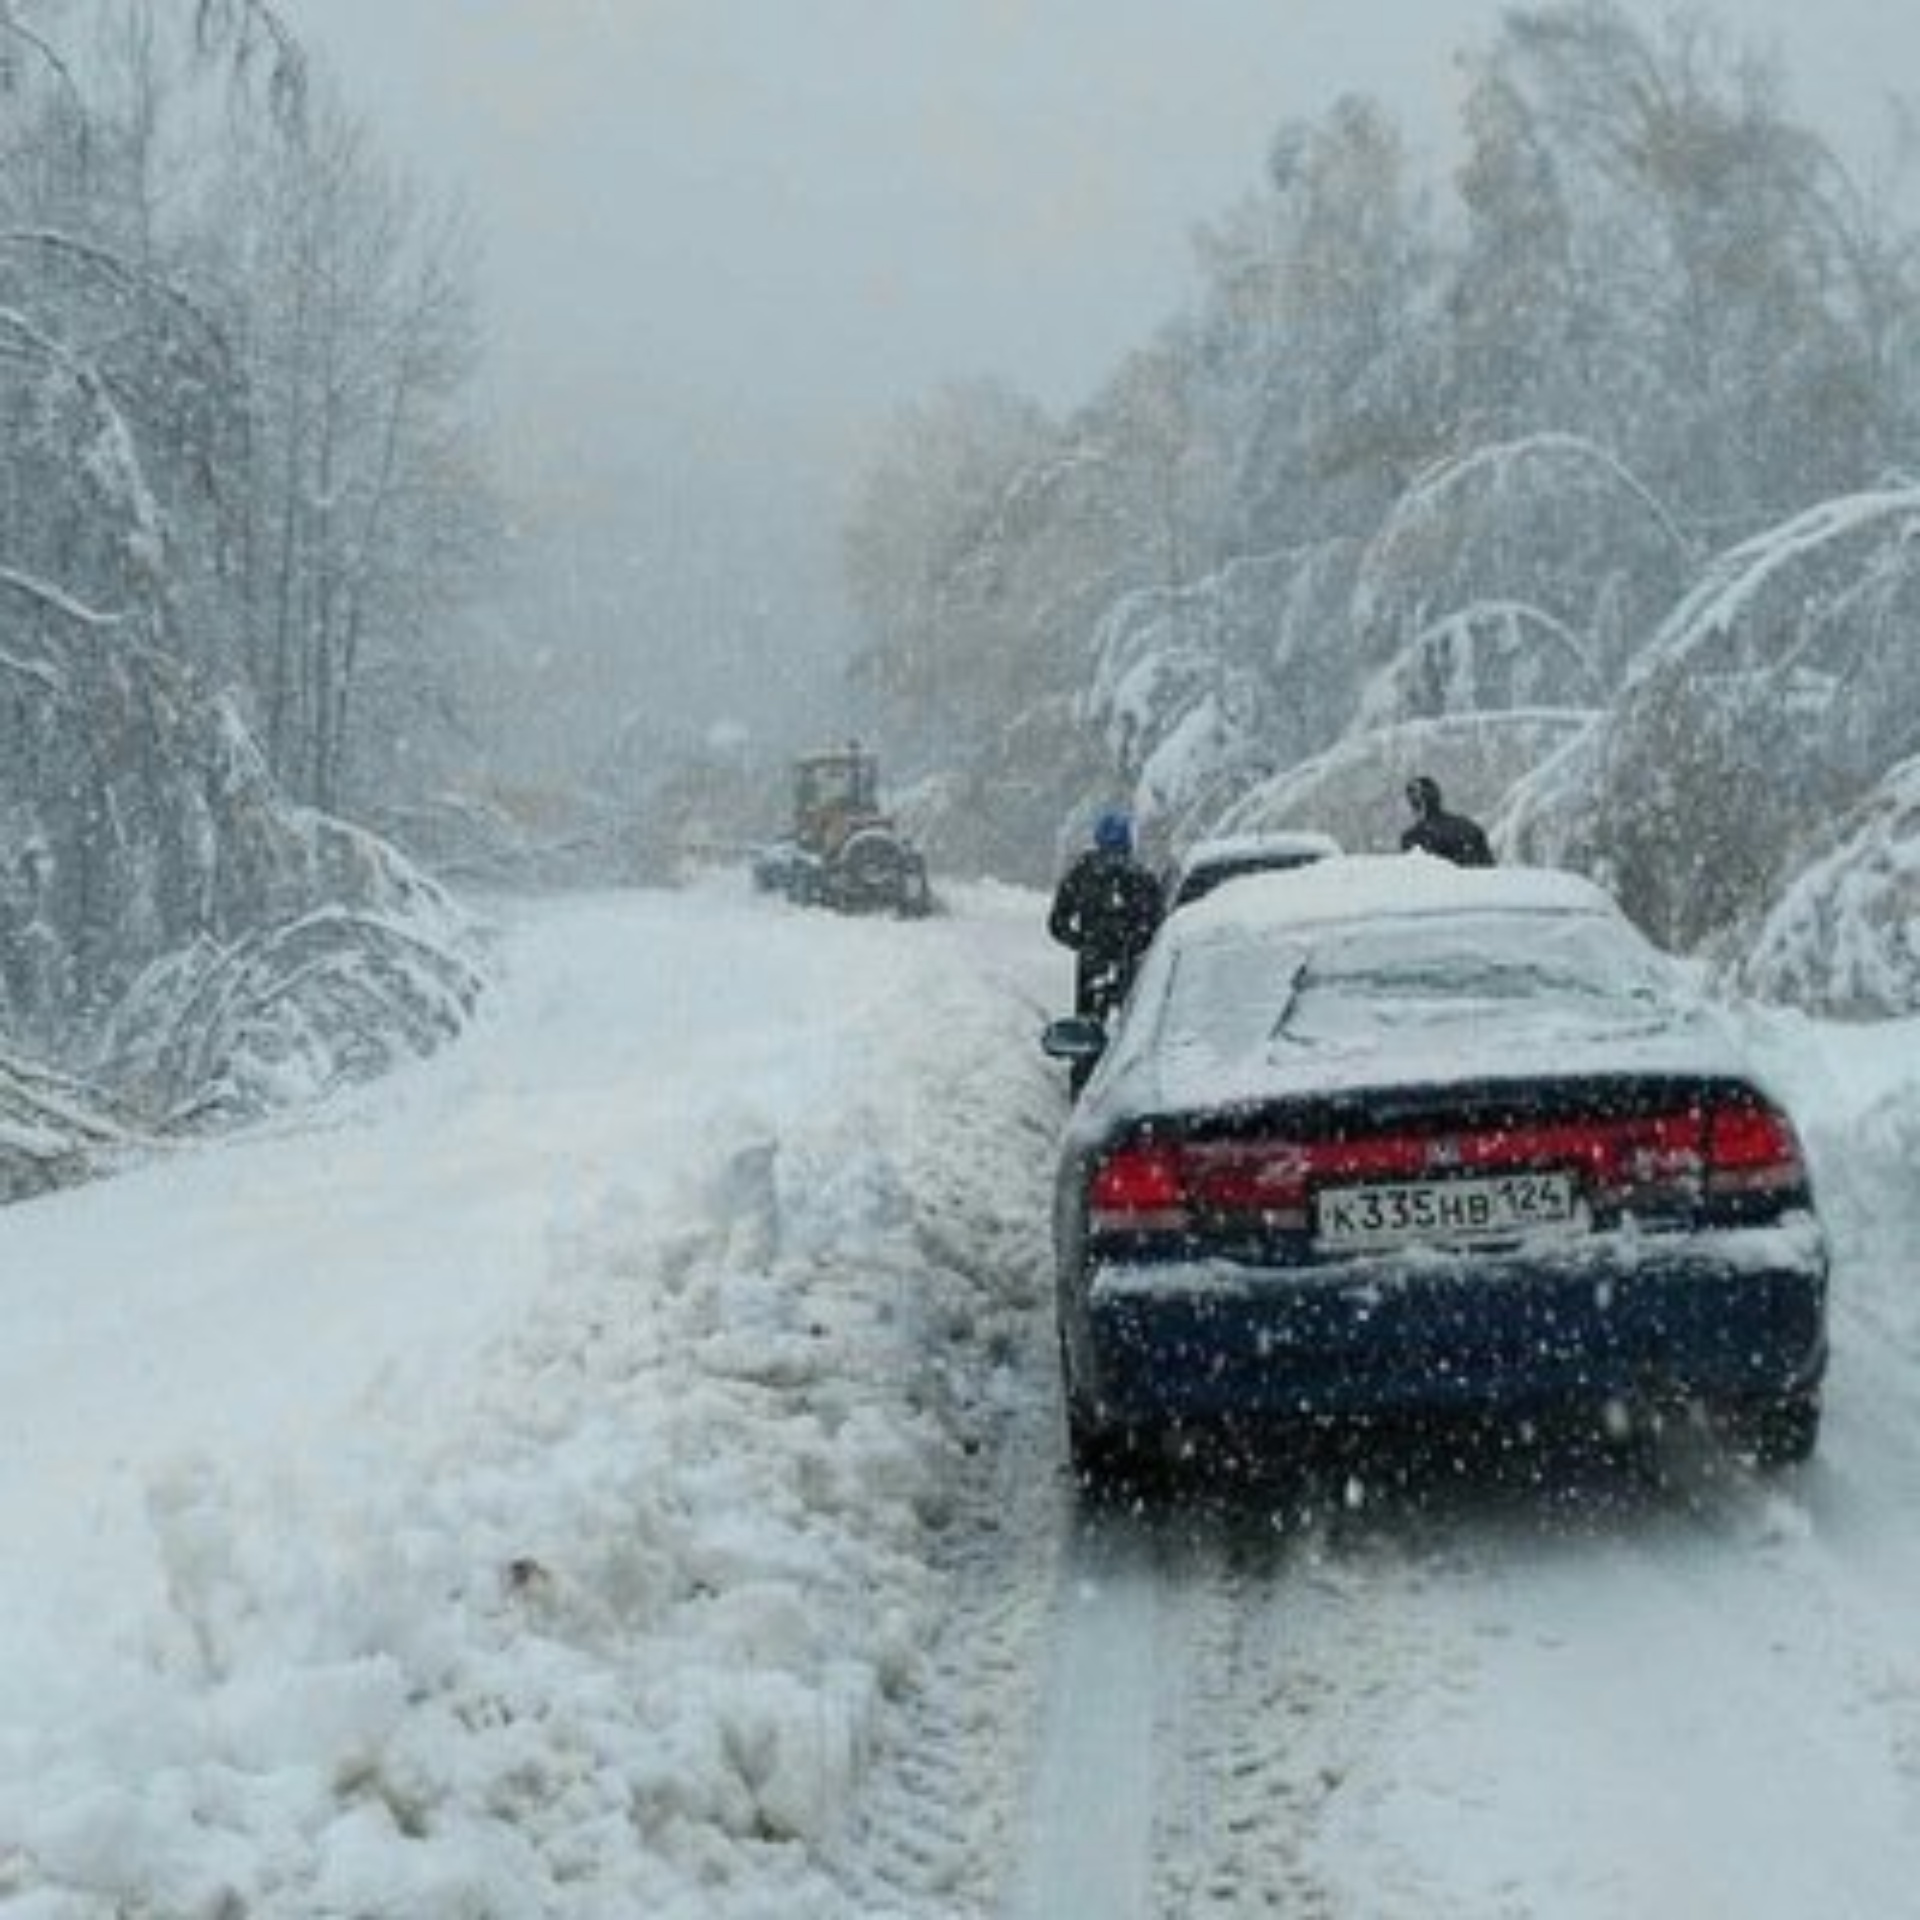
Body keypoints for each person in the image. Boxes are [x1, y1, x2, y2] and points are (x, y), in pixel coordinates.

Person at [1048, 810, 1164, 1024]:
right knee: (1130, 1021)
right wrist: (1138, 942)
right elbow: (1157, 922)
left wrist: (1083, 942)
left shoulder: (1082, 873)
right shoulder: (1141, 877)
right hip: (1128, 961)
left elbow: (1057, 922)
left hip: (1096, 961)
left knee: (1089, 1026)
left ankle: (1088, 1050)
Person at [1400, 774, 1495, 868]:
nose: (1413, 807)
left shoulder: (1413, 838)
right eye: (1412, 802)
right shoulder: (1466, 826)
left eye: (1415, 802)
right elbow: (1488, 869)